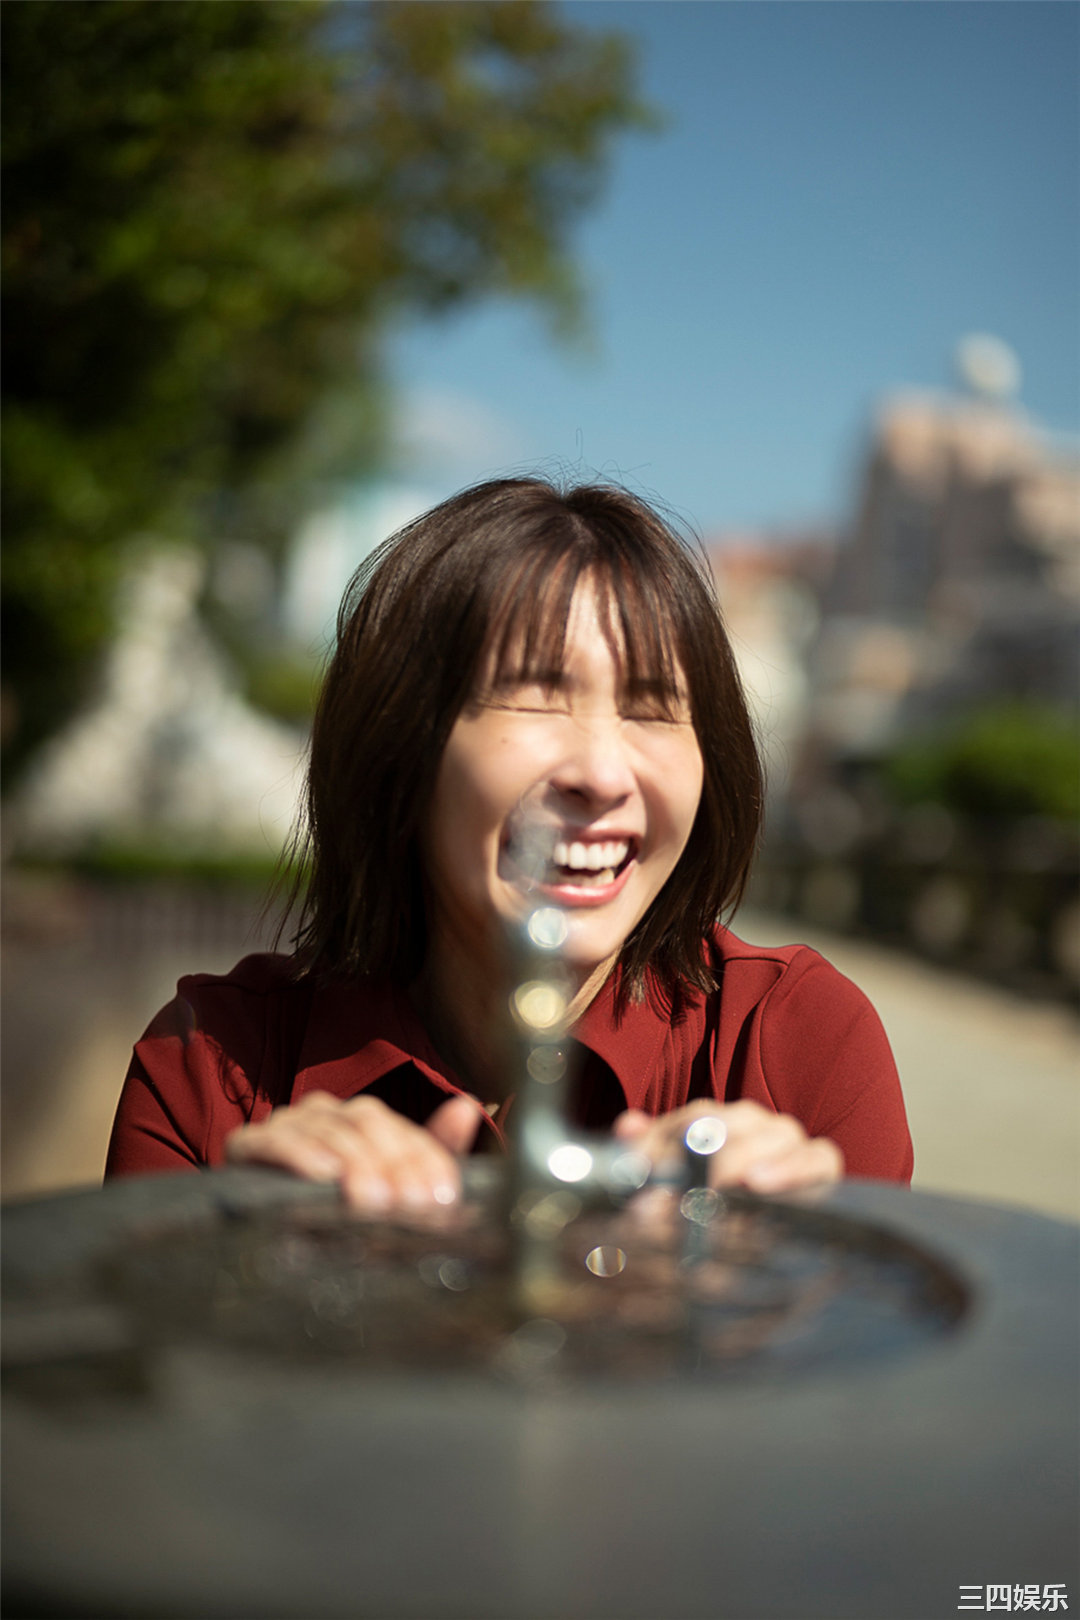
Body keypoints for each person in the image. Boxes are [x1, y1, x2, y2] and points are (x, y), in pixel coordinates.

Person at [106, 477, 913, 1210]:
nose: (602, 774)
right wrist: (243, 1264)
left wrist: (768, 1272)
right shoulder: (210, 1069)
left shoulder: (797, 1043)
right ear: (399, 752)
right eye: (533, 698)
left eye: (652, 707)